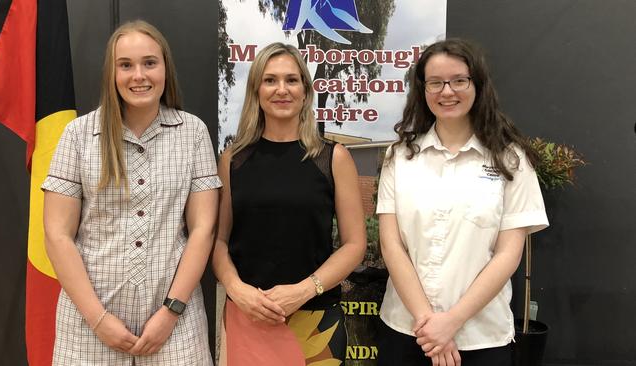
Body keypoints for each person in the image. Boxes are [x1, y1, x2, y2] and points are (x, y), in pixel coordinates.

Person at [42, 20, 219, 365]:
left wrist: (171, 312)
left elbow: (203, 229)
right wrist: (99, 319)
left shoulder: (193, 132)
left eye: (149, 63)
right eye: (126, 65)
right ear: (112, 72)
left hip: (175, 323)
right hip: (88, 326)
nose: (138, 75)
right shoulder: (77, 136)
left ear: (165, 68)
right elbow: (57, 235)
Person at [375, 38, 549, 366]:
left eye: (459, 80)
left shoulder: (511, 159)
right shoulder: (399, 157)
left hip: (481, 337)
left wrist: (452, 321)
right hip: (406, 330)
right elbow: (391, 244)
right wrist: (430, 324)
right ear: (422, 90)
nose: (447, 91)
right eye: (435, 82)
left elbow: (508, 254)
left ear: (477, 85)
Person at [212, 42, 366, 365]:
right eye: (270, 80)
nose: (281, 89)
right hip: (247, 318)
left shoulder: (333, 158)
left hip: (315, 321)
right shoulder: (232, 161)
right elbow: (219, 243)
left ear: (306, 91)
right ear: (256, 90)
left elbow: (354, 245)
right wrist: (236, 289)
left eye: (291, 80)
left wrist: (305, 290)